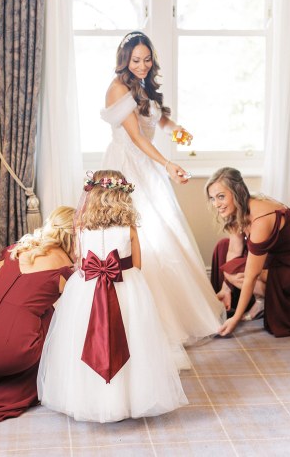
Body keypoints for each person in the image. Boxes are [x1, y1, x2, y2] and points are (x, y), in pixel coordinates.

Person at [100, 32, 226, 364]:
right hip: (128, 168)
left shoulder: (144, 85)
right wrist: (168, 164)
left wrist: (176, 130)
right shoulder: (118, 88)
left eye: (147, 59)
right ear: (124, 60)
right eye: (135, 60)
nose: (142, 65)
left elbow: (158, 117)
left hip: (148, 167)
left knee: (165, 238)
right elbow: (137, 137)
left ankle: (178, 316)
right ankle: (138, 320)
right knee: (139, 240)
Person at [37, 170, 188, 422]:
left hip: (86, 291)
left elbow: (80, 261)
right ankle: (129, 399)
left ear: (93, 195)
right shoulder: (129, 227)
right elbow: (137, 264)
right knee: (131, 339)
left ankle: (90, 399)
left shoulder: (81, 228)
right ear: (123, 196)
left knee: (86, 338)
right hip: (126, 287)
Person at [0, 206, 76, 422]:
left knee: (32, 310)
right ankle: (25, 387)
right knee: (51, 317)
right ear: (73, 237)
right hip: (6, 353)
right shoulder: (65, 269)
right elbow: (76, 318)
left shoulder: (17, 249)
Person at [205, 167, 290, 338]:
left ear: (236, 192)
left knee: (240, 272)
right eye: (212, 198)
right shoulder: (237, 208)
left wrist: (236, 319)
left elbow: (251, 275)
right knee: (223, 247)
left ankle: (263, 300)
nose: (216, 204)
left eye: (221, 197)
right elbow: (233, 250)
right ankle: (258, 300)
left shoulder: (262, 218)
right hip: (272, 261)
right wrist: (226, 288)